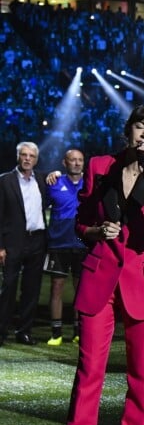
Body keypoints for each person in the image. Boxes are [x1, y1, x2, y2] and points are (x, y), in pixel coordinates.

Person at [63, 103, 144, 425]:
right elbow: (81, 223)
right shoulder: (100, 166)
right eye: (140, 126)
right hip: (102, 279)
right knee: (88, 372)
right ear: (128, 130)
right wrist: (98, 231)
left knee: (141, 377)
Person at [0, 141, 48, 346]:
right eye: (24, 155)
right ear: (18, 156)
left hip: (37, 240)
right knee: (8, 287)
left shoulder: (43, 179)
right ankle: (1, 331)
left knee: (32, 289)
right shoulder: (4, 180)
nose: (28, 158)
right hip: (12, 242)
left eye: (32, 156)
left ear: (36, 159)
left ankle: (24, 331)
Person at [45, 149, 86, 346]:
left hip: (83, 244)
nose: (77, 163)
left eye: (80, 160)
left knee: (81, 289)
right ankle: (56, 332)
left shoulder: (91, 183)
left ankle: (79, 330)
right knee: (57, 287)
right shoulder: (54, 182)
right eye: (73, 160)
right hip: (58, 243)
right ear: (64, 162)